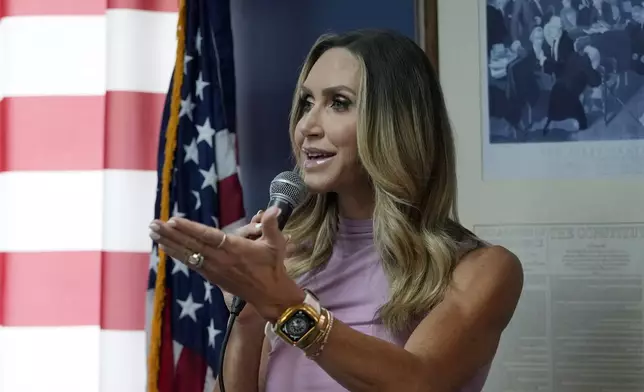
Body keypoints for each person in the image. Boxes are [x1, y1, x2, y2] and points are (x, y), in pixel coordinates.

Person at [149, 29, 524, 392]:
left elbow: (416, 382)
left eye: (339, 103)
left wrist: (280, 303)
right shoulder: (291, 261)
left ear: (396, 124)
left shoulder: (482, 270)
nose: (307, 126)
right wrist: (248, 317)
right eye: (307, 102)